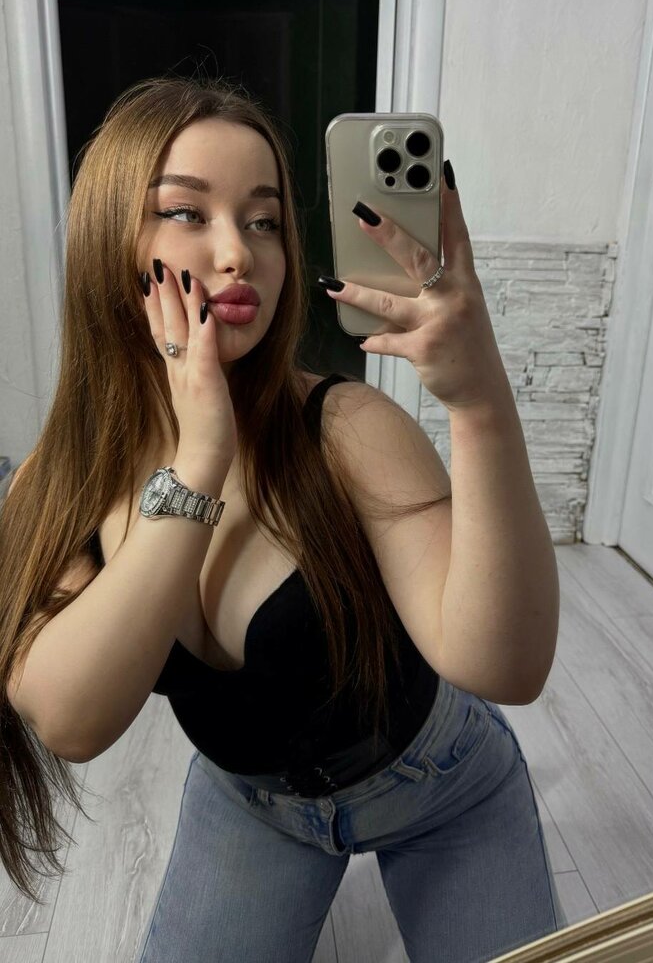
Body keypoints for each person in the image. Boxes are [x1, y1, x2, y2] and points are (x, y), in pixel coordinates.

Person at [0, 75, 564, 962]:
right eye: (186, 212)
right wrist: (198, 463)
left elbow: (506, 666)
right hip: (253, 802)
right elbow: (72, 719)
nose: (239, 253)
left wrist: (481, 402)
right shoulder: (59, 479)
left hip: (440, 782)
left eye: (264, 221)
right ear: (108, 237)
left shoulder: (346, 429)